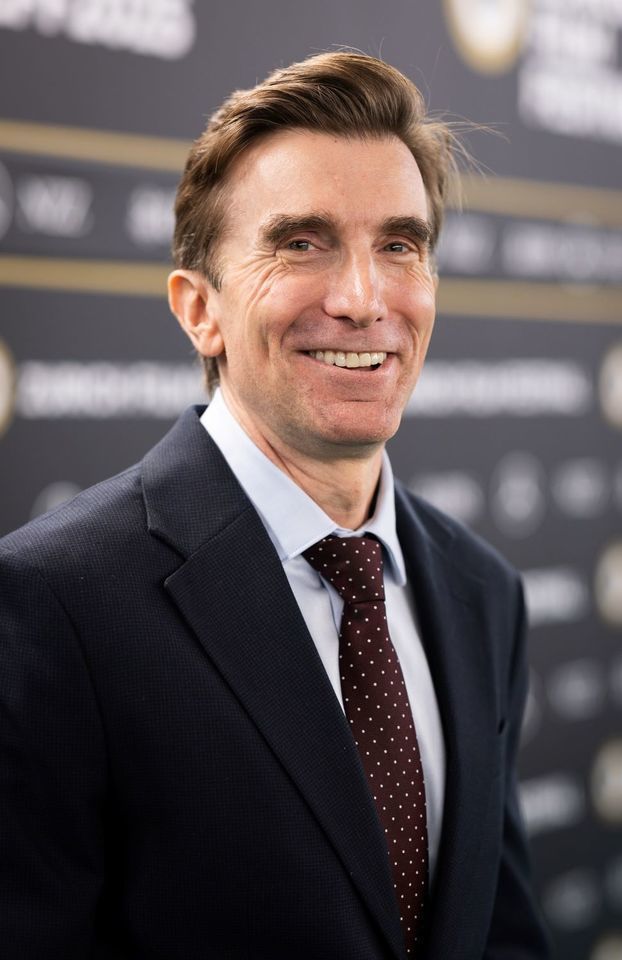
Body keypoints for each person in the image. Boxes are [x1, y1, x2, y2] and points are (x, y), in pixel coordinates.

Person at [0, 52, 550, 960]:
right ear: (199, 310)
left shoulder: (482, 590)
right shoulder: (52, 604)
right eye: (301, 243)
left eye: (399, 245)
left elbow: (502, 934)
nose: (364, 300)